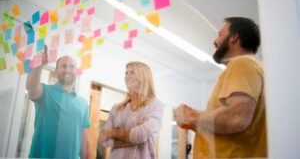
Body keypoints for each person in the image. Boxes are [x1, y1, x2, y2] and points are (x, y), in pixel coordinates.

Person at [174, 17, 267, 158]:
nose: (214, 41)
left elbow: (236, 118)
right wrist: (196, 124)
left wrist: (192, 116)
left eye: (219, 34)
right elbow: (233, 126)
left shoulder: (242, 63)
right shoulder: (251, 66)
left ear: (234, 37)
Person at [26, 45, 90, 159]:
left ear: (76, 71)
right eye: (63, 66)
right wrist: (38, 67)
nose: (67, 70)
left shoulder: (83, 103)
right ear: (56, 71)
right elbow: (31, 88)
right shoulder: (45, 92)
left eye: (71, 67)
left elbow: (85, 140)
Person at [99, 61, 164, 159]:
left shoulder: (155, 105)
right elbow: (104, 140)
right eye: (126, 73)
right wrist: (134, 136)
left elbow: (140, 134)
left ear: (144, 76)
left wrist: (112, 133)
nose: (127, 76)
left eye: (132, 72)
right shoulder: (116, 108)